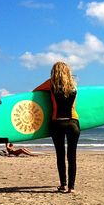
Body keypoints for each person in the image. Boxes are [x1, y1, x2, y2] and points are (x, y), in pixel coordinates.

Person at [34, 61, 80, 193]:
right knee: (72, 156)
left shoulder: (51, 84)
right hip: (73, 122)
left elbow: (35, 91)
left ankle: (63, 185)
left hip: (57, 122)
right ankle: (71, 187)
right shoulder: (73, 86)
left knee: (60, 155)